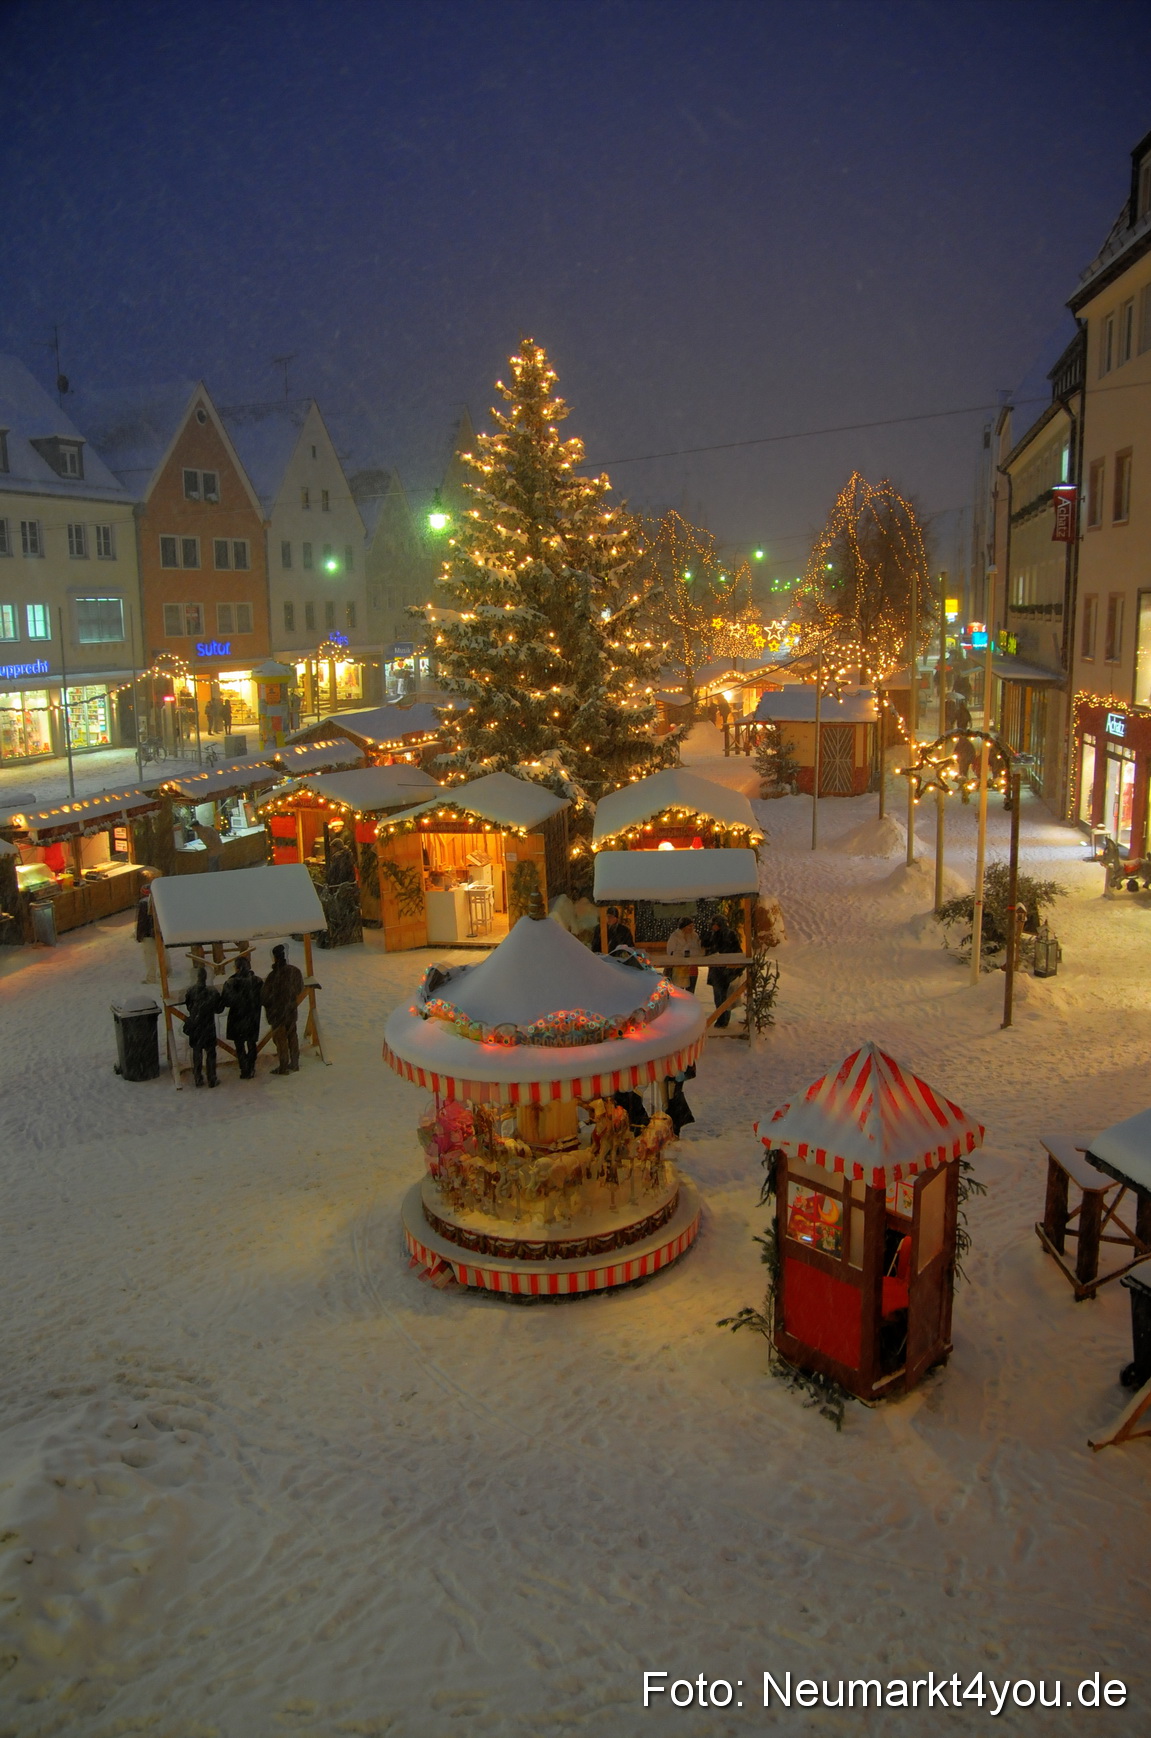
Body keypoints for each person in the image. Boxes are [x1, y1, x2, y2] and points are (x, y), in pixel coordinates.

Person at [262, 943, 304, 1074]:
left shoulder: (272, 977)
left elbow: (264, 997)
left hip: (277, 1013)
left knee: (281, 1041)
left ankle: (283, 1066)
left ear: (275, 958)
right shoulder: (294, 971)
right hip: (290, 1010)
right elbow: (299, 988)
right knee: (292, 1036)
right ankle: (295, 1062)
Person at [220, 953, 264, 1079]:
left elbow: (226, 1002)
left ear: (237, 968)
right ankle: (251, 1066)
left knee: (239, 1045)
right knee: (251, 1043)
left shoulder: (230, 983)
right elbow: (263, 998)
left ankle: (244, 1068)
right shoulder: (257, 981)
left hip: (237, 1018)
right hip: (252, 1017)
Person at [183, 965, 222, 1087]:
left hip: (196, 1026)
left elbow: (189, 1006)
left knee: (197, 1052)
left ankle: (198, 1077)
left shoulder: (191, 991)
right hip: (208, 1026)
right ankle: (212, 1077)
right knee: (211, 1053)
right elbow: (219, 1009)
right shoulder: (212, 992)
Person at [704, 912, 742, 1028]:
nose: (712, 927)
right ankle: (721, 1019)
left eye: (714, 924)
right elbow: (708, 948)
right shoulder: (713, 934)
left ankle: (723, 1020)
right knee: (719, 996)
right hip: (717, 970)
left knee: (724, 996)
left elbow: (734, 951)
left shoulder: (729, 934)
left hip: (726, 971)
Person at [664, 915, 699, 992]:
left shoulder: (694, 936)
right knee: (678, 991)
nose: (691, 928)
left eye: (692, 926)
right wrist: (682, 953)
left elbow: (697, 950)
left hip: (692, 967)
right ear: (684, 926)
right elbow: (670, 951)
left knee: (691, 991)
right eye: (689, 926)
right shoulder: (675, 936)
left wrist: (690, 953)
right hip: (678, 967)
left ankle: (690, 1003)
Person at [135, 872, 159, 983]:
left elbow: (142, 921)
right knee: (162, 952)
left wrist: (139, 935)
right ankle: (167, 971)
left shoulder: (143, 904)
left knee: (149, 956)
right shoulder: (159, 901)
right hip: (159, 932)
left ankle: (151, 978)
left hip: (148, 935)